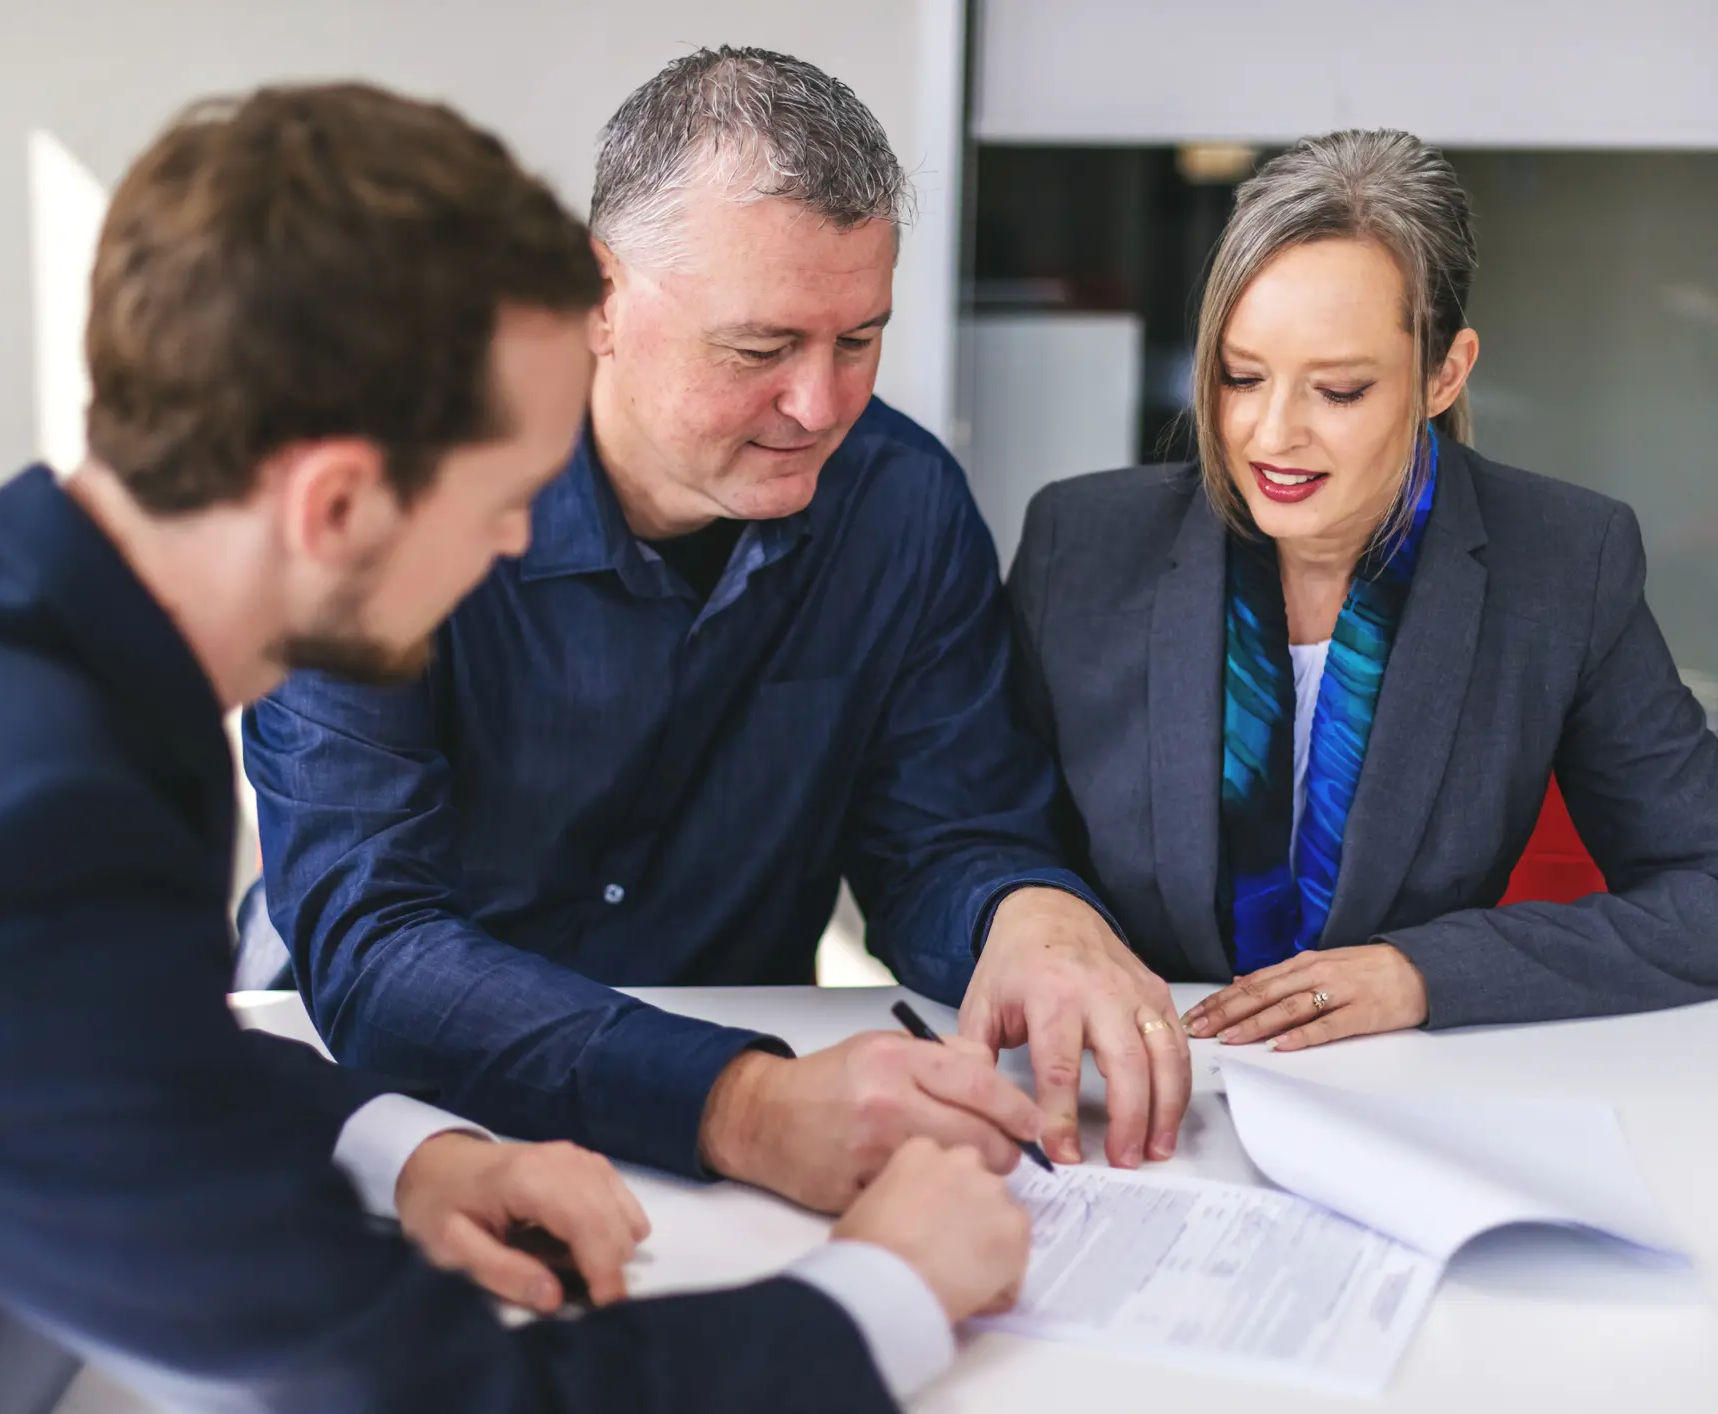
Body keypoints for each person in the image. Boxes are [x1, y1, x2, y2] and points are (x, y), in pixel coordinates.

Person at [0, 83, 1031, 1414]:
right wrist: (881, 1289)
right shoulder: (25, 825)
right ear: (338, 502)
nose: (520, 544)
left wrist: (402, 1148)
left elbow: (92, 1050)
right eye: (497, 498)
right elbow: (410, 1392)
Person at [244, 47, 1190, 1207]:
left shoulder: (898, 503)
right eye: (759, 350)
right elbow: (373, 938)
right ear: (598, 296)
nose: (820, 406)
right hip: (384, 1114)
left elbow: (944, 837)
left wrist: (1027, 915)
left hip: (738, 1135)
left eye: (857, 340)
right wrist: (735, 1102)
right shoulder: (376, 495)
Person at [1009, 129, 1718, 1052]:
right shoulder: (1078, 546)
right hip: (1127, 1081)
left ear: (1445, 373)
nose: (1271, 434)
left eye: (1339, 390)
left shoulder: (1564, 563)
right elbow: (973, 846)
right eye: (1241, 377)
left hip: (1398, 1095)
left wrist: (1424, 971)